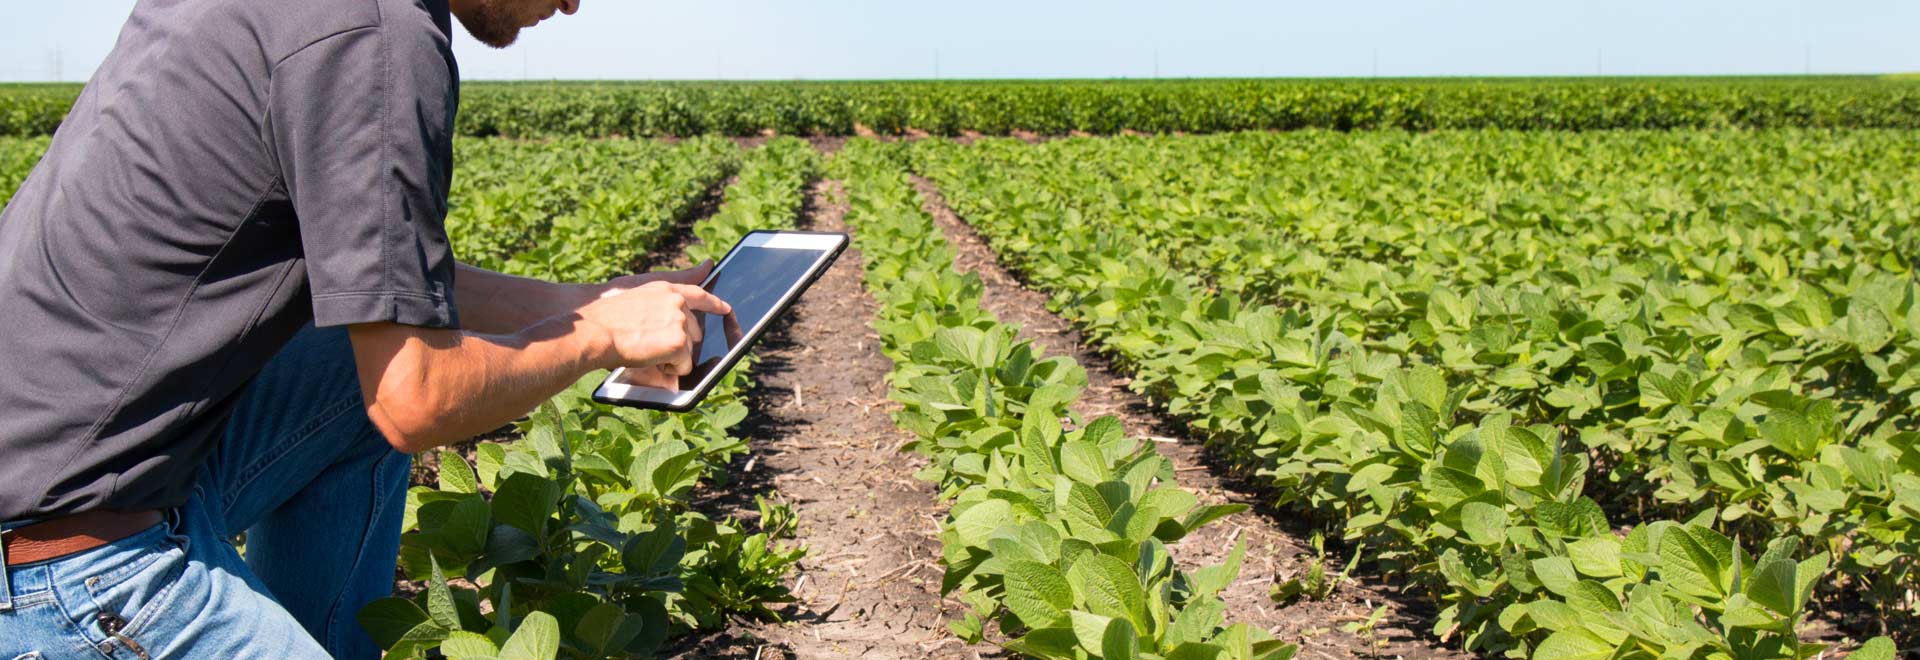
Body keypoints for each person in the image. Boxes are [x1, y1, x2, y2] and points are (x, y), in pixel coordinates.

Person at [0, 1, 727, 657]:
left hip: (68, 466)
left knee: (348, 372)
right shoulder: (378, 38)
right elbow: (418, 400)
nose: (574, 3)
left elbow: (384, 281)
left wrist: (587, 297)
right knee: (389, 380)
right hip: (70, 559)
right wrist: (597, 335)